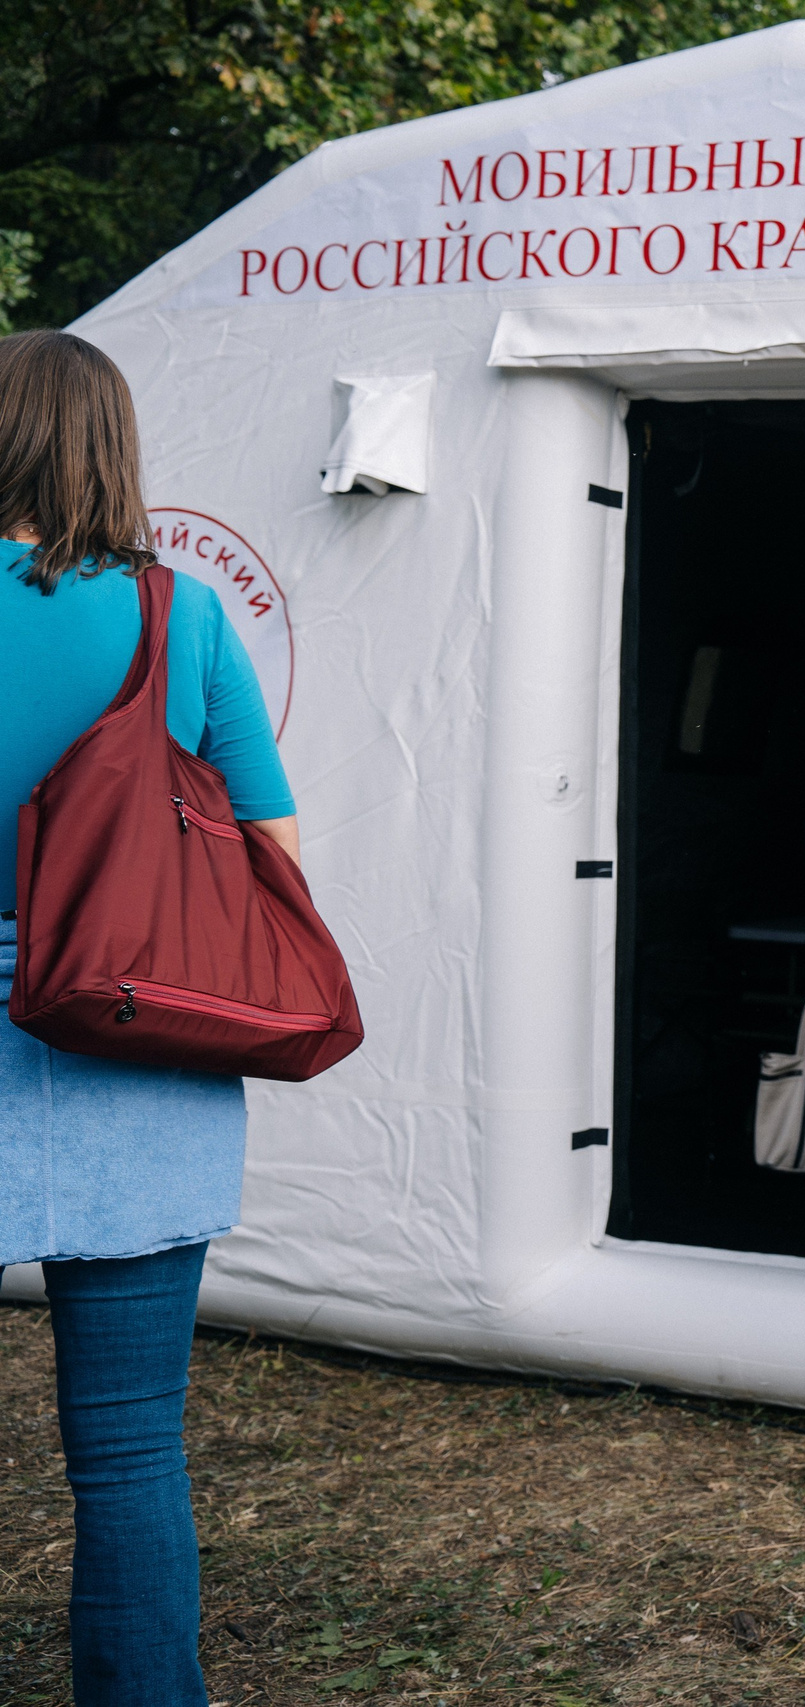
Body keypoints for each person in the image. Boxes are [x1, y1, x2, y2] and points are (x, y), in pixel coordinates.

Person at [0, 331, 300, 1704]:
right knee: (127, 1446)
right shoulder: (183, 618)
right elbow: (276, 858)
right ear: (112, 449)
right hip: (139, 1047)